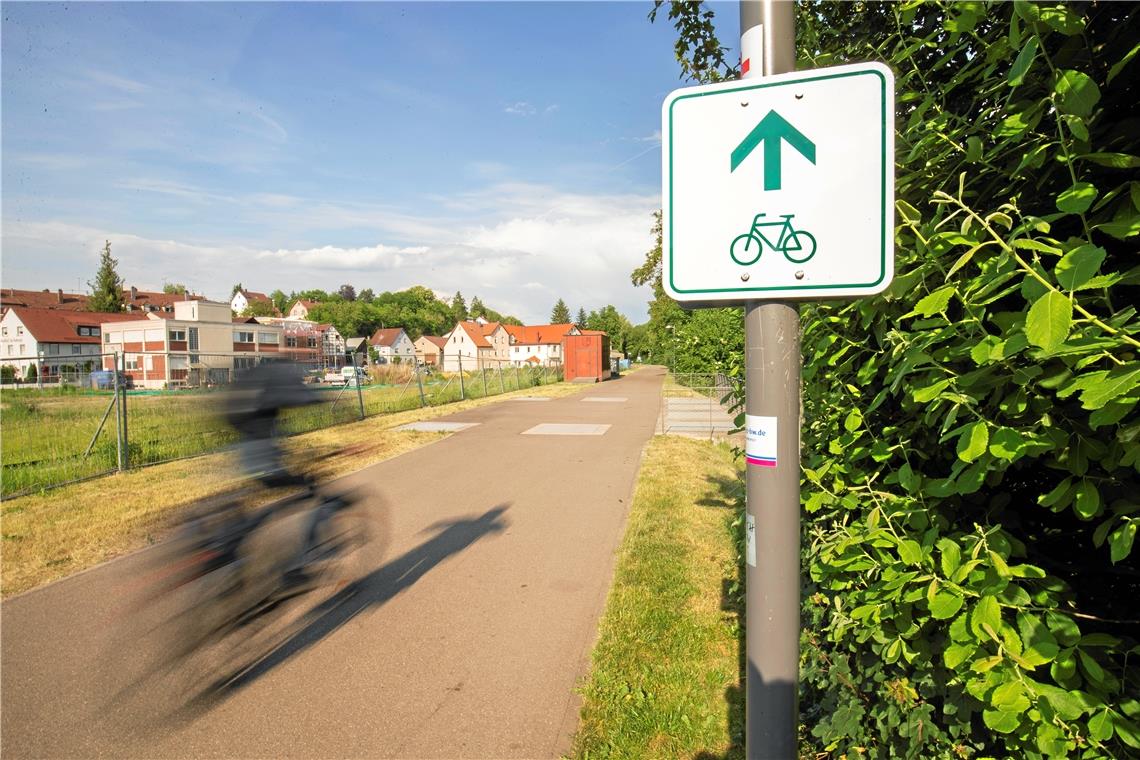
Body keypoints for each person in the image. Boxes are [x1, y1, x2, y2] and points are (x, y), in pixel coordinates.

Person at [225, 360, 318, 491]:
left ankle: (300, 481)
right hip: (256, 429)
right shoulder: (269, 379)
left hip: (257, 430)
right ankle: (300, 481)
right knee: (265, 474)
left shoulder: (263, 378)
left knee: (264, 472)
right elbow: (300, 396)